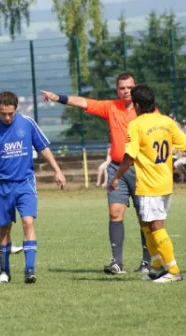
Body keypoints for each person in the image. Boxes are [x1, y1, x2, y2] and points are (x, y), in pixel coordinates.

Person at [41, 73, 151, 275]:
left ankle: (147, 261)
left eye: (129, 87)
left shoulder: (146, 110)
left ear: (135, 87)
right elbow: (84, 103)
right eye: (121, 88)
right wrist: (59, 98)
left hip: (141, 169)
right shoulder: (111, 107)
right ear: (117, 90)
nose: (125, 91)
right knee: (115, 213)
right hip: (117, 168)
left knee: (144, 216)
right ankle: (117, 263)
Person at [109, 85, 186, 283]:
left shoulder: (136, 124)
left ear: (137, 105)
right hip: (165, 182)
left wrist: (116, 178)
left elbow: (129, 157)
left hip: (150, 184)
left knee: (156, 225)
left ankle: (173, 271)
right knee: (147, 223)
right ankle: (156, 267)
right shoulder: (166, 121)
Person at [0, 91, 66, 284]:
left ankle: (30, 270)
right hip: (1, 187)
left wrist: (57, 170)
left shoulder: (27, 123)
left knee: (28, 222)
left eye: (10, 113)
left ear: (16, 109)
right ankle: (5, 271)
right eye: (3, 114)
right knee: (4, 229)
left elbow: (43, 147)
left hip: (25, 183)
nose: (7, 118)